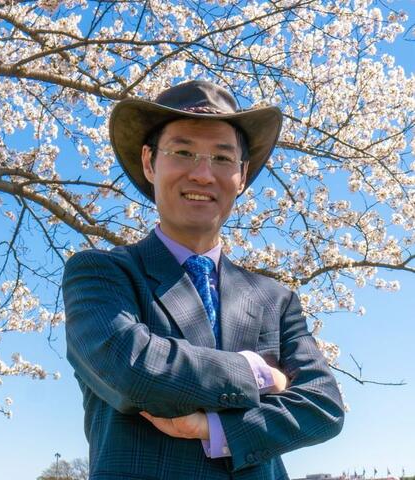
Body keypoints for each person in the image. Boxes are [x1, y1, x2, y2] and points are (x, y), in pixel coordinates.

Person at [62, 80, 345, 480]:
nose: (202, 173)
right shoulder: (102, 274)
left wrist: (215, 428)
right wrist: (259, 372)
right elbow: (133, 369)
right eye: (182, 152)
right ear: (149, 162)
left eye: (222, 158)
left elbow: (323, 405)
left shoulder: (275, 299)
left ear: (242, 174)